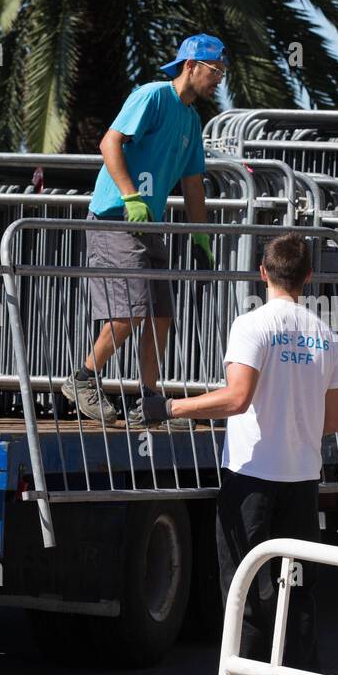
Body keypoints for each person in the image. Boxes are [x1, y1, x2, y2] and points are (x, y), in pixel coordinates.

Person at [142, 232, 338, 675]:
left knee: (246, 582)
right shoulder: (324, 333)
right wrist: (295, 421)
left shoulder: (251, 324)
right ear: (308, 278)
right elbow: (336, 420)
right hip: (301, 476)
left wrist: (169, 407)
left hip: (252, 475)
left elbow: (236, 399)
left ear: (262, 272)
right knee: (297, 581)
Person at [62, 34, 225, 428]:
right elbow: (109, 143)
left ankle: (149, 399)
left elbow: (192, 184)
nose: (219, 80)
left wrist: (201, 237)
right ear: (191, 65)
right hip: (116, 218)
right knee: (129, 312)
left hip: (147, 224)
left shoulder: (190, 119)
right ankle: (82, 379)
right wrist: (130, 195)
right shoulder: (152, 96)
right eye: (215, 71)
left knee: (160, 315)